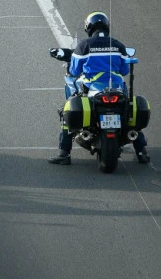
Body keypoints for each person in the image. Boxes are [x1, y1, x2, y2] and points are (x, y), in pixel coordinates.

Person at [49, 12, 149, 165]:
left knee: (65, 111)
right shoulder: (118, 45)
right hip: (117, 88)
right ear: (107, 27)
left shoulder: (84, 46)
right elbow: (124, 71)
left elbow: (74, 71)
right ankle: (141, 152)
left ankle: (64, 153)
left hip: (93, 90)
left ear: (88, 27)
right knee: (130, 115)